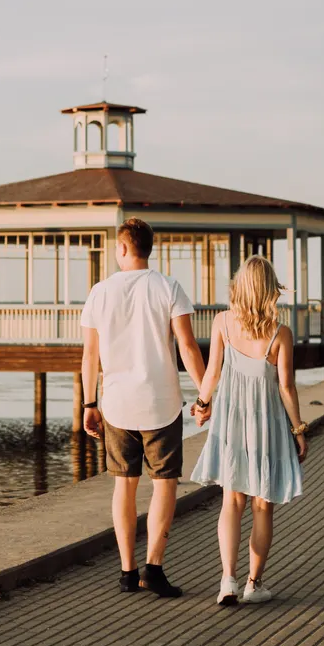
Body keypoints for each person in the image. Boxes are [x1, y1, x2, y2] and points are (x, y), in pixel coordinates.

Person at [81, 217, 207, 598]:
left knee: (124, 486)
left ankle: (125, 571)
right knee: (164, 484)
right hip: (161, 404)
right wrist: (207, 394)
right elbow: (187, 346)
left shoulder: (99, 292)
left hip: (117, 404)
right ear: (149, 248)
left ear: (122, 248)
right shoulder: (168, 287)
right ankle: (153, 568)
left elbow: (90, 354)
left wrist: (89, 403)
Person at [190, 254, 307, 607]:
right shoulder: (280, 334)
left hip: (231, 420)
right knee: (262, 505)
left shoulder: (223, 322)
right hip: (267, 423)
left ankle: (227, 580)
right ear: (270, 290)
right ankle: (254, 584)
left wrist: (202, 403)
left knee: (231, 500)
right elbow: (286, 387)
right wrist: (298, 428)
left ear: (240, 287)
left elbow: (211, 373)